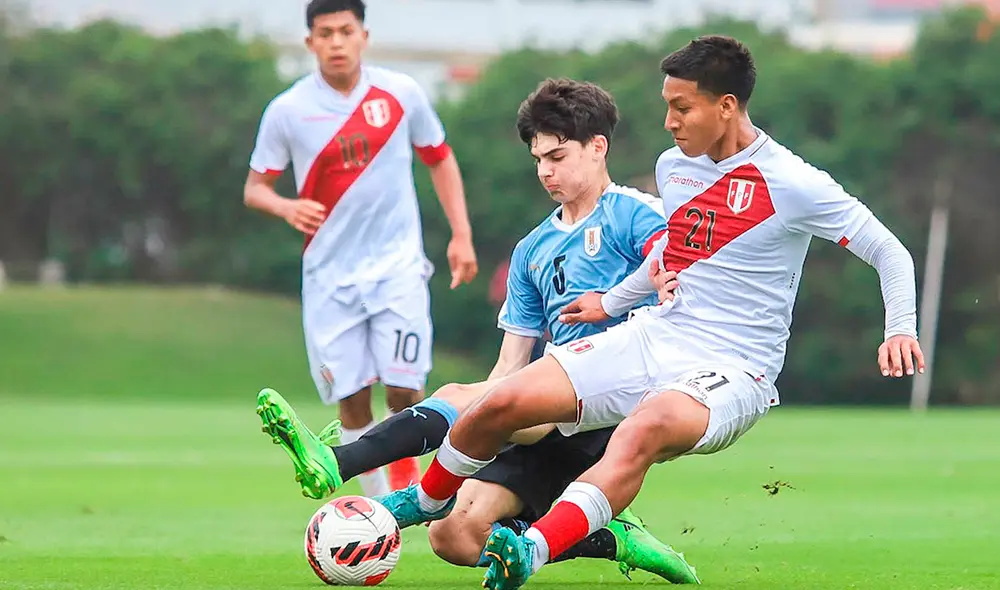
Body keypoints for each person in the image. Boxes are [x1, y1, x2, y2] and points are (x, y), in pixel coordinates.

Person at [368, 36, 926, 590]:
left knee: (646, 427)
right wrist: (611, 303)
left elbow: (889, 252)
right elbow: (676, 254)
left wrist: (899, 326)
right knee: (504, 399)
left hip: (736, 367)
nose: (668, 122)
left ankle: (531, 552)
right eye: (667, 106)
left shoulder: (795, 183)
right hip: (659, 333)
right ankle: (422, 501)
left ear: (725, 106)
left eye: (681, 107)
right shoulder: (674, 168)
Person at [255, 78, 698, 583]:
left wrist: (639, 287)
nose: (545, 171)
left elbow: (667, 254)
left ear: (598, 147)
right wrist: (480, 421)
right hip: (547, 410)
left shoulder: (633, 212)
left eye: (557, 156)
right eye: (538, 160)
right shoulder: (532, 249)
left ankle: (344, 462)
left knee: (474, 398)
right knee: (455, 534)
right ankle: (612, 538)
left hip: (614, 405)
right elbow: (510, 365)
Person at [243, 0, 478, 495]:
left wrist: (460, 234)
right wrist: (286, 207)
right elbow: (255, 187)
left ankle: (405, 491)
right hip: (328, 276)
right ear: (310, 42)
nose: (335, 42)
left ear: (363, 36)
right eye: (324, 33)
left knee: (404, 389)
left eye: (345, 31)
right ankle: (379, 511)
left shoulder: (401, 94)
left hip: (397, 268)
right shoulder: (288, 110)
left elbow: (440, 158)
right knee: (351, 399)